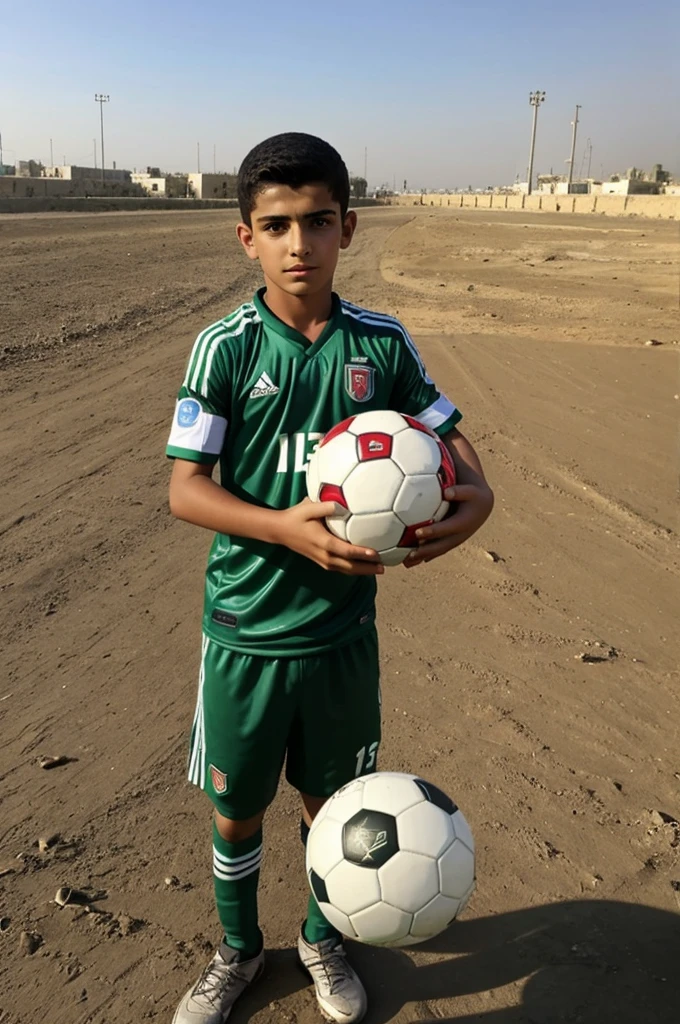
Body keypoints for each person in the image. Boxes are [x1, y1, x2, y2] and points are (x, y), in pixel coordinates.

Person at [166, 132, 494, 1024]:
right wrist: (282, 529)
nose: (298, 243)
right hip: (245, 633)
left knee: (336, 811)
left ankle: (320, 937)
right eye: (276, 225)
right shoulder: (224, 348)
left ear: (347, 227)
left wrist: (480, 492)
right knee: (236, 817)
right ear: (247, 238)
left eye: (317, 222)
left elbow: (448, 436)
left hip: (343, 634)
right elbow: (185, 489)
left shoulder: (379, 344)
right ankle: (237, 952)